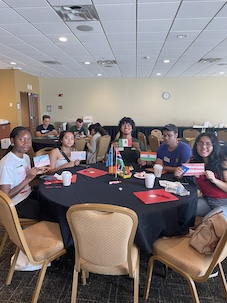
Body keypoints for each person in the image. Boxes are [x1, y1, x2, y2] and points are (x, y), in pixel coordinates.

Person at [174, 132, 227, 219]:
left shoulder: (222, 162)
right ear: (196, 145)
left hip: (224, 202)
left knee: (208, 222)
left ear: (214, 146)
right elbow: (181, 174)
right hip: (206, 200)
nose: (203, 147)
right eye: (200, 143)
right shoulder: (193, 160)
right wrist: (178, 174)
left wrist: (214, 180)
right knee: (183, 209)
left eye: (208, 144)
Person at [0, 126, 49, 219]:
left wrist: (37, 172)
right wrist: (28, 178)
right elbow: (5, 197)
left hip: (28, 193)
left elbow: (22, 176)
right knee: (51, 212)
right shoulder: (7, 163)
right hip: (16, 204)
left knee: (51, 200)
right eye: (22, 140)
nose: (26, 143)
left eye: (29, 140)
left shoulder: (26, 157)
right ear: (12, 140)